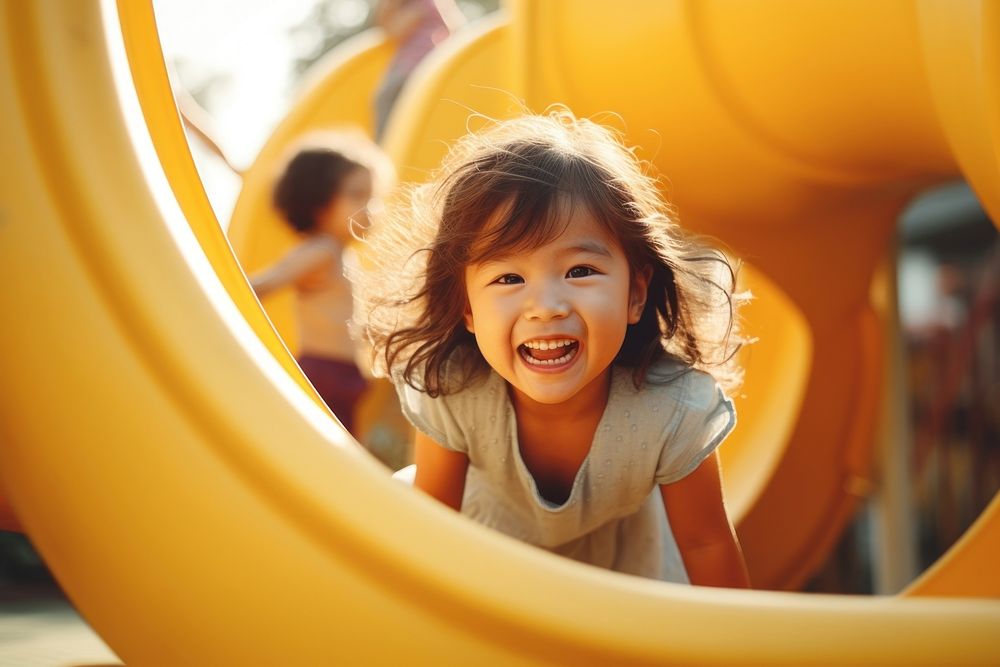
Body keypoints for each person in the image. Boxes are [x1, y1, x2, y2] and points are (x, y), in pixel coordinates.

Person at [354, 109, 751, 587]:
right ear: (469, 311)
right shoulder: (458, 389)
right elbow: (434, 525)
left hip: (621, 580)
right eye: (509, 278)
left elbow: (706, 543)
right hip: (485, 564)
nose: (545, 307)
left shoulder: (671, 412)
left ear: (635, 295)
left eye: (579, 271)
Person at [251, 133, 391, 438]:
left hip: (343, 377)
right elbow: (262, 285)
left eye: (373, 198)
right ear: (318, 202)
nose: (370, 209)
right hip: (323, 374)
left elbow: (345, 318)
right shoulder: (320, 252)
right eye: (356, 195)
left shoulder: (341, 253)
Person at [373, 0, 465, 142]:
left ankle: (386, 145)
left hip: (412, 67)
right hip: (430, 64)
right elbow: (457, 26)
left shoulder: (419, 7)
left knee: (385, 99)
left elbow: (394, 31)